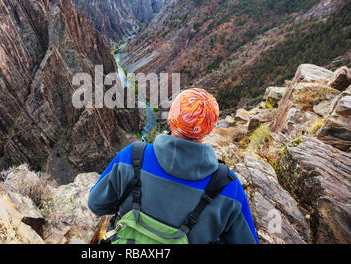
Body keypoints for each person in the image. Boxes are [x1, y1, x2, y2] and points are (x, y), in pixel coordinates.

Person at [88, 88, 258, 244]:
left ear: (171, 119)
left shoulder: (132, 156)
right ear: (209, 129)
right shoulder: (229, 187)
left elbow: (96, 204)